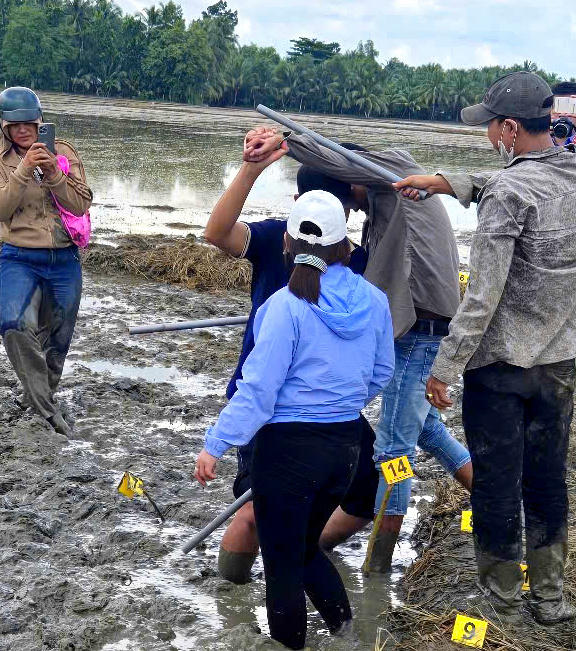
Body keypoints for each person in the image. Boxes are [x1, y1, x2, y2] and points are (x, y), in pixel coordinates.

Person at [395, 71, 576, 624]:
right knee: (548, 477)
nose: (487, 136)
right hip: (559, 358)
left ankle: (505, 601)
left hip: (502, 366)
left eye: (490, 127)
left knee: (498, 482)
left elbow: (482, 297)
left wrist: (444, 369)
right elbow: (518, 179)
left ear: (510, 128)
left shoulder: (508, 194)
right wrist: (445, 181)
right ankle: (549, 596)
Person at [243, 127, 473, 573]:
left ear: (352, 183)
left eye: (344, 204)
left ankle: (379, 565)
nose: (347, 213)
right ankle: (491, 498)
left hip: (421, 328)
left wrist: (285, 143)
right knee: (424, 431)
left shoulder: (394, 174)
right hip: (420, 324)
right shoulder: (389, 198)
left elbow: (335, 159)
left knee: (393, 450)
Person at [193, 190, 395, 649]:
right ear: (346, 244)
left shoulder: (284, 306)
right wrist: (340, 402)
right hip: (345, 445)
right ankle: (347, 634)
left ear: (286, 241)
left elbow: (259, 393)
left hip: (287, 453)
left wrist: (215, 444)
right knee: (304, 550)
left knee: (282, 566)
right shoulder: (373, 299)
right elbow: (381, 371)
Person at [203, 136, 379, 584]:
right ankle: (232, 594)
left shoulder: (356, 262)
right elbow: (217, 233)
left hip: (327, 415)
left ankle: (300, 551)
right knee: (254, 514)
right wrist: (250, 169)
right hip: (268, 409)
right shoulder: (272, 237)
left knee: (362, 496)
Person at [0, 87, 92, 436]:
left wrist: (54, 174)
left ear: (40, 120)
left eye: (29, 123)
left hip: (63, 257)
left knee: (57, 339)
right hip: (19, 256)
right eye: (15, 125)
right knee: (14, 324)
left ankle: (38, 396)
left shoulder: (64, 153)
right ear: (4, 127)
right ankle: (47, 411)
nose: (24, 131)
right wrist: (24, 171)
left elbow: (81, 204)